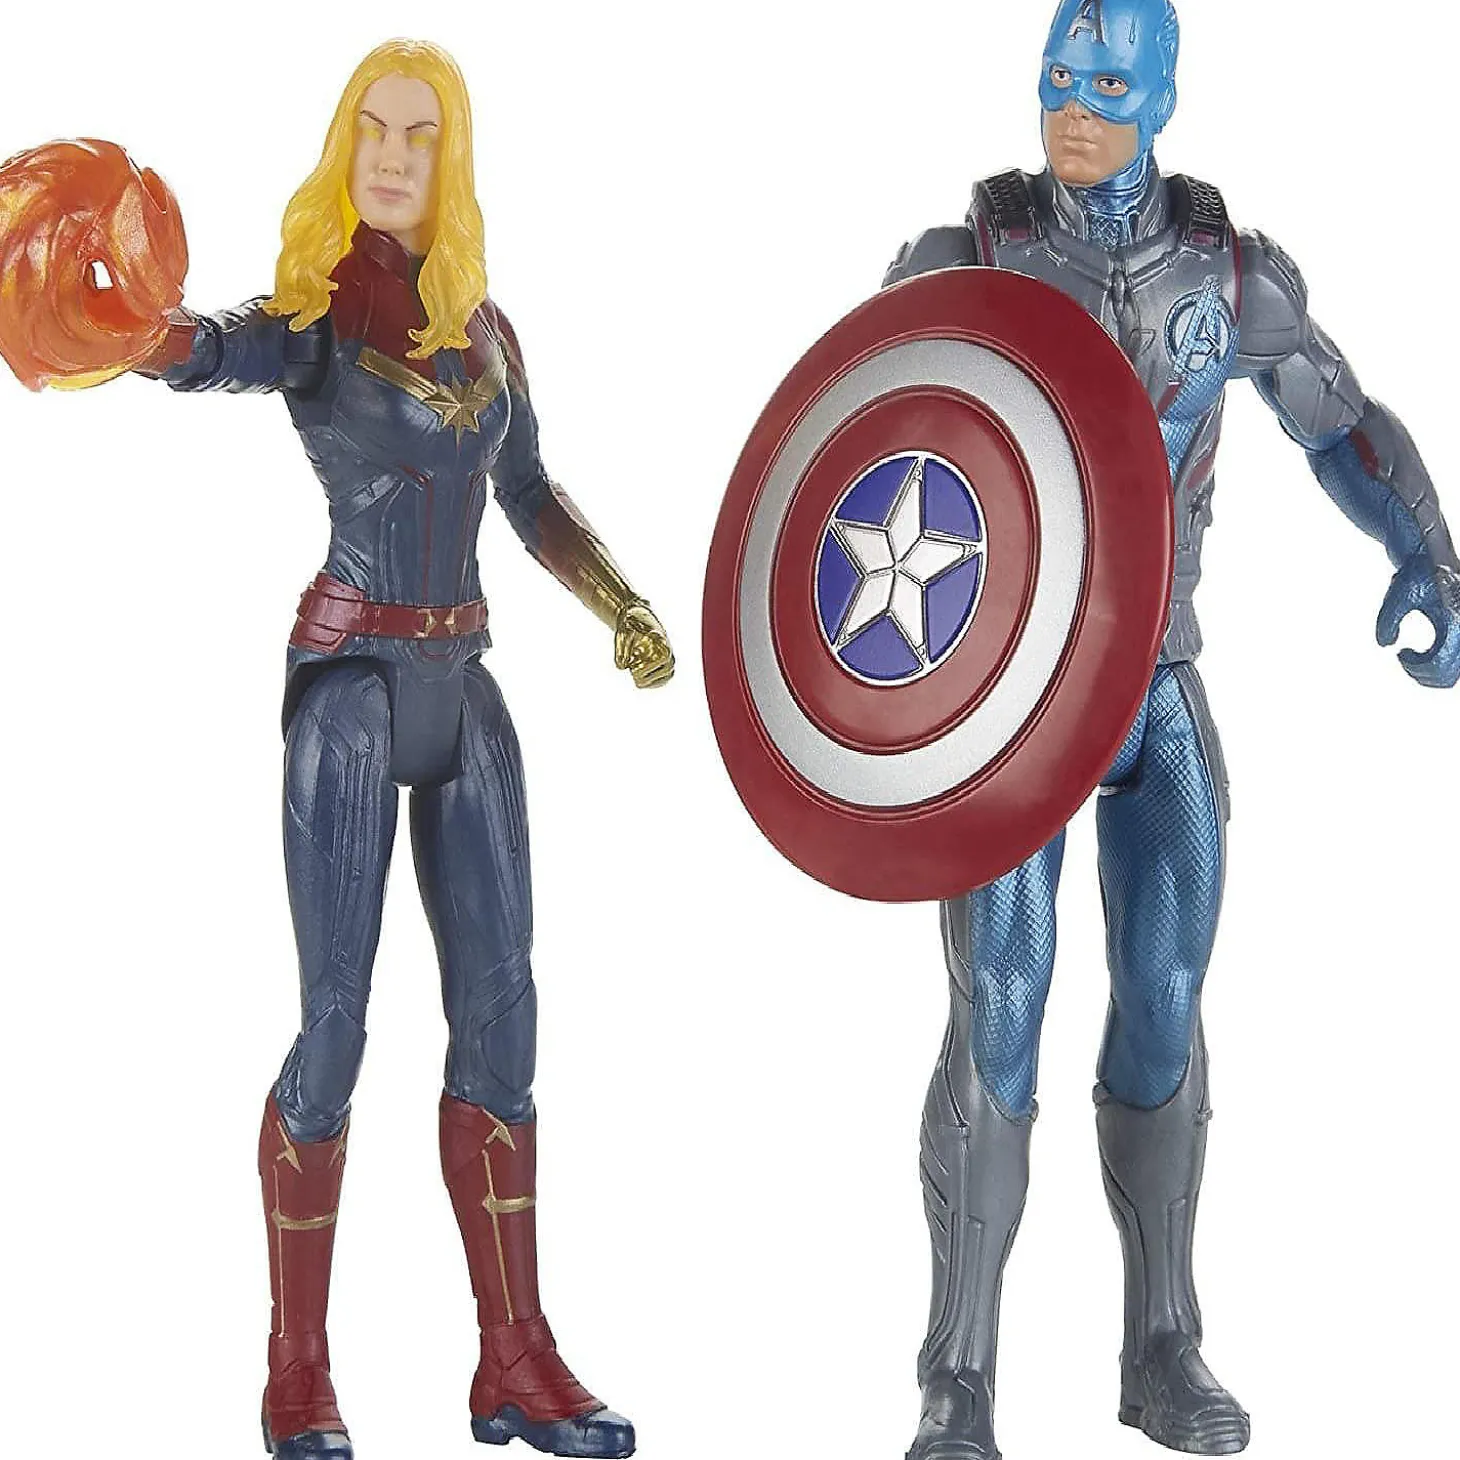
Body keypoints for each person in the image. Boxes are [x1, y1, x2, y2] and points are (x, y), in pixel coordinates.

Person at [0, 38, 670, 1460]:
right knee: (336, 1022)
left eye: (419, 133)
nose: (393, 154)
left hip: (466, 682)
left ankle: (515, 1357)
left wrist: (621, 604)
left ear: (452, 154)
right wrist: (127, 325)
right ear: (345, 142)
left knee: (505, 1018)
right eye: (374, 127)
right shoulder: (317, 315)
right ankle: (295, 1370)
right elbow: (215, 351)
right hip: (352, 678)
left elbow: (530, 492)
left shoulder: (488, 331)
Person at [882, 3, 1459, 1456]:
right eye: (1055, 79)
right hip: (1010, 691)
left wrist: (1429, 550)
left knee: (1164, 992)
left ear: (1163, 97)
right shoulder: (971, 258)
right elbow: (858, 453)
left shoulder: (1229, 271)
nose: (1073, 109)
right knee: (997, 1006)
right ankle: (958, 1372)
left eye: (1106, 84)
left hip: (1157, 672)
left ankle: (1163, 1345)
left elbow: (1341, 422)